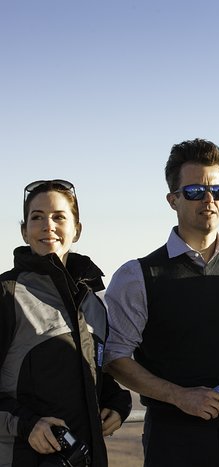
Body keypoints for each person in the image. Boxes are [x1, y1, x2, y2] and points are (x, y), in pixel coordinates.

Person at [103, 138, 219, 467]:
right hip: (172, 440)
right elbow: (115, 357)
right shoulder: (136, 276)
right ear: (173, 199)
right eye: (195, 191)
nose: (209, 200)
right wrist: (179, 396)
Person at [0, 179, 132, 467]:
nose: (48, 225)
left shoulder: (93, 301)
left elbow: (90, 374)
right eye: (37, 217)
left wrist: (117, 403)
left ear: (77, 230)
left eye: (59, 216)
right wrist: (26, 425)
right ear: (24, 231)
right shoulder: (7, 294)